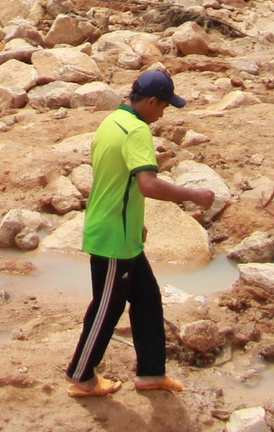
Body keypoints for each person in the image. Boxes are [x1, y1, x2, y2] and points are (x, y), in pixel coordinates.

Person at [66, 68, 216, 398]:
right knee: (107, 308)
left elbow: (115, 180)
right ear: (150, 102)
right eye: (163, 107)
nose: (162, 114)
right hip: (112, 238)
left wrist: (137, 222)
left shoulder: (111, 122)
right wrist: (192, 195)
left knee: (148, 299)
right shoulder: (136, 132)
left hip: (122, 230)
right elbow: (147, 184)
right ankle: (82, 375)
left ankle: (151, 373)